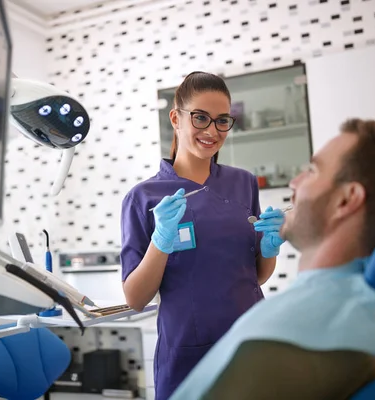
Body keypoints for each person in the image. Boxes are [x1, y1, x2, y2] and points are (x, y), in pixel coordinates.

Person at [169, 118, 375, 399]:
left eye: (312, 171)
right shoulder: (352, 312)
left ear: (346, 200)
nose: (295, 182)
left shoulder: (277, 340)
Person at [119, 71, 285, 400]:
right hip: (188, 356)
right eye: (200, 118)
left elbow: (257, 276)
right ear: (175, 119)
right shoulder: (145, 198)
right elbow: (135, 299)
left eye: (222, 120)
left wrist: (270, 246)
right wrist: (160, 242)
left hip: (250, 344)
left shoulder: (244, 183)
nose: (212, 131)